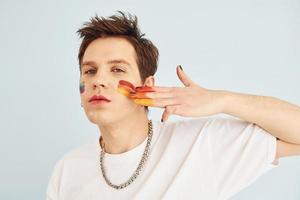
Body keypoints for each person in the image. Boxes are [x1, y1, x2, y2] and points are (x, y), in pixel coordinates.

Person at [46, 11, 300, 200]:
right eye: (89, 71)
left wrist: (223, 100)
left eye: (117, 69)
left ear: (147, 85)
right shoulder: (68, 169)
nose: (98, 80)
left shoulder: (200, 146)